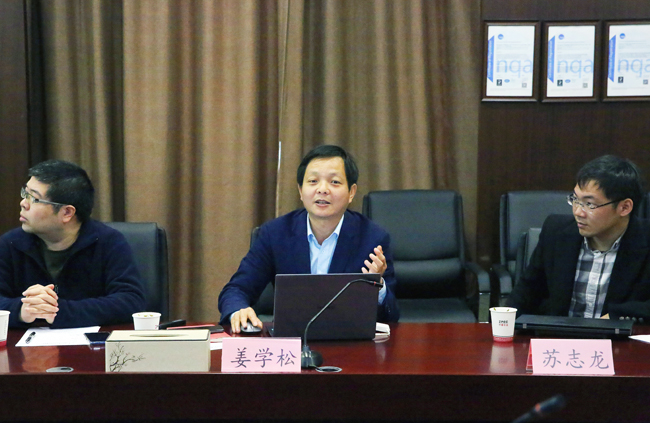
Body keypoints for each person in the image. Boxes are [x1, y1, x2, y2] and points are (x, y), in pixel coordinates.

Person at [218, 145, 399, 332]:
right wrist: (238, 310)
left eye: (334, 182)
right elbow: (236, 290)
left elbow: (392, 316)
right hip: (291, 341)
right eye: (313, 181)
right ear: (300, 190)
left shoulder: (372, 239)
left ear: (351, 192)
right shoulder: (274, 234)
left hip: (348, 341)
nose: (322, 189)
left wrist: (378, 286)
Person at [0, 160, 146, 328]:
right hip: (26, 343)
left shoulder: (108, 242)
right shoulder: (11, 244)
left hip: (91, 343)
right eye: (25, 194)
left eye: (33, 198)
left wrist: (57, 311)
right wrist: (21, 310)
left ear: (67, 212)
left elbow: (130, 301)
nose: (23, 203)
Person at [508, 154, 650, 322]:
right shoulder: (556, 232)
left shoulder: (645, 240)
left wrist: (615, 316)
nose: (578, 212)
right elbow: (526, 293)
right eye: (575, 199)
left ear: (624, 207)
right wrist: (503, 323)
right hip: (558, 334)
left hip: (619, 337)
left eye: (589, 204)